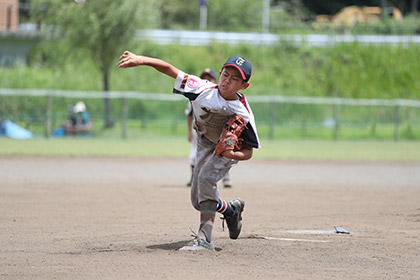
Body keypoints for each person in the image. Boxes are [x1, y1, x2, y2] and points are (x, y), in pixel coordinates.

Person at [117, 51, 260, 251]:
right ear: (220, 73)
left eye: (235, 79)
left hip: (224, 152)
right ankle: (231, 210)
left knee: (206, 179)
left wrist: (231, 154)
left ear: (244, 86)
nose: (227, 80)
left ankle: (205, 239)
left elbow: (248, 152)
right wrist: (142, 60)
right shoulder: (201, 88)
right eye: (226, 74)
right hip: (203, 143)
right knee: (198, 200)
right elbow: (170, 70)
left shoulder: (242, 112)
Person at [185, 68, 233, 188]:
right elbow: (189, 114)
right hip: (200, 130)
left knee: (223, 153)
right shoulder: (196, 95)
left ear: (215, 80)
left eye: (209, 78)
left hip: (219, 130)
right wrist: (189, 131)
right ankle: (194, 177)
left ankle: (225, 177)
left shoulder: (223, 95)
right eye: (204, 78)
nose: (206, 80)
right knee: (195, 153)